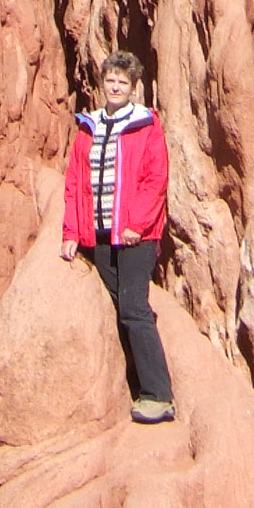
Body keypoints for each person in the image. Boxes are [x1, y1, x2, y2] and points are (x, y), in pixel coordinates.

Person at [61, 51, 175, 423]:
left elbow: (155, 179)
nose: (115, 86)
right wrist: (71, 233)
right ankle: (130, 383)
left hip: (134, 237)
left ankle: (158, 395)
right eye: (111, 79)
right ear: (102, 82)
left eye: (122, 82)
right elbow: (75, 183)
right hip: (99, 235)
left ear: (133, 87)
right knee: (115, 308)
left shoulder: (145, 124)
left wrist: (136, 225)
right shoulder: (88, 126)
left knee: (134, 308)